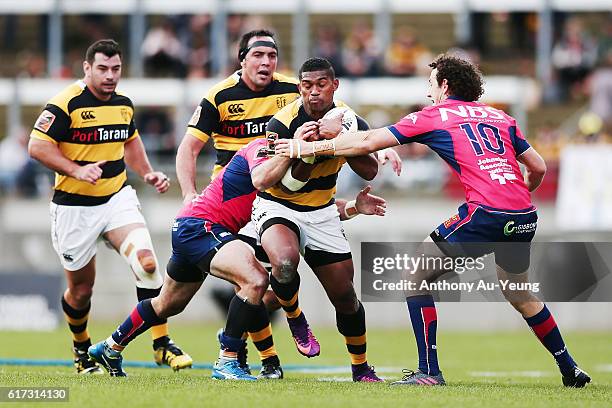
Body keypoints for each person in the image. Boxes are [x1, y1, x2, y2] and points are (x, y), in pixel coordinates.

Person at [275, 54, 591, 388]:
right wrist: (516, 194)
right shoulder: (501, 116)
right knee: (519, 292)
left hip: (485, 213)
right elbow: (538, 167)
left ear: (445, 84)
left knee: (415, 276)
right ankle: (569, 368)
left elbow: (368, 141)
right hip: (523, 215)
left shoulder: (436, 116)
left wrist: (306, 148)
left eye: (431, 85)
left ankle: (429, 372)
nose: (429, 93)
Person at [88, 136, 387, 379]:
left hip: (192, 228)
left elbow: (308, 213)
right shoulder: (262, 149)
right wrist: (292, 148)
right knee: (255, 280)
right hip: (202, 227)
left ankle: (110, 346)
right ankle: (228, 359)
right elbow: (260, 178)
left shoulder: (287, 168)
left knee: (168, 304)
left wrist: (354, 208)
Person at [27, 39, 192, 374]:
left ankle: (161, 344)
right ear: (87, 68)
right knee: (80, 291)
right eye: (102, 68)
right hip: (74, 207)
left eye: (116, 69)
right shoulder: (65, 103)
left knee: (146, 263)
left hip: (117, 198)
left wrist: (147, 173)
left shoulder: (123, 104)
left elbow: (130, 139)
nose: (110, 75)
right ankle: (81, 350)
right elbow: (36, 146)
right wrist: (75, 169)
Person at [251, 57, 383, 382]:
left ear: (334, 86)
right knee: (283, 263)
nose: (314, 93)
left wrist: (340, 143)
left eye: (321, 85)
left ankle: (361, 367)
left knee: (345, 297)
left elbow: (370, 170)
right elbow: (290, 183)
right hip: (278, 205)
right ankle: (295, 317)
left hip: (322, 212)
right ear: (299, 88)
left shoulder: (349, 119)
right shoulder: (280, 125)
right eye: (307, 86)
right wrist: (310, 147)